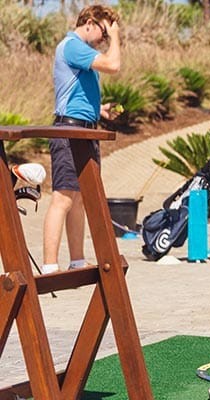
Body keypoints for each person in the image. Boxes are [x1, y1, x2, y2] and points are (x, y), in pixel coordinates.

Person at [42, 5, 122, 274]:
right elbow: (114, 65)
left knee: (80, 198)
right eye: (103, 31)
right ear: (89, 22)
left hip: (85, 129)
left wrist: (99, 110)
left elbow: (75, 92)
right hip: (68, 131)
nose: (104, 38)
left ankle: (76, 260)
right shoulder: (72, 46)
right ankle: (50, 266)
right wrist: (116, 37)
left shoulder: (84, 53)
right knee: (63, 197)